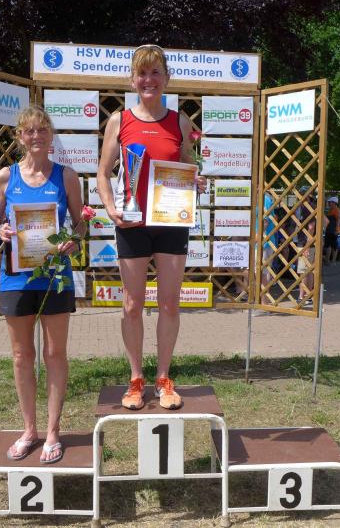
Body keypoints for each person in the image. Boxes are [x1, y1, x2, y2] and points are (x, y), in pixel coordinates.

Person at [97, 44, 205, 411]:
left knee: (170, 303)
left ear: (166, 79)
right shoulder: (119, 121)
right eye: (142, 73)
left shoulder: (181, 122)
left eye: (155, 72)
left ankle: (163, 378)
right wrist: (111, 209)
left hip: (170, 223)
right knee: (132, 305)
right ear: (132, 80)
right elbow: (102, 173)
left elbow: (186, 166)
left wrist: (195, 181)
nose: (149, 79)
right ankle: (135, 378)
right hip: (132, 223)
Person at [0, 105, 84, 464]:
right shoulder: (5, 176)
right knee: (21, 355)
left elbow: (80, 224)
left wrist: (73, 240)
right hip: (16, 277)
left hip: (55, 277)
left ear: (51, 135)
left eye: (42, 129)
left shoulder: (67, 176)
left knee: (55, 354)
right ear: (20, 137)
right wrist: (0, 230)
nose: (36, 136)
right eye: (29, 130)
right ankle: (29, 430)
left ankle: (53, 432)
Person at [323, 196, 340, 264]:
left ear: (334, 203)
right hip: (330, 230)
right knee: (331, 245)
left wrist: (337, 230)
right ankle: (329, 260)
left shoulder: (336, 210)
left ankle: (331, 260)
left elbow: (338, 220)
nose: (328, 203)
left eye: (330, 202)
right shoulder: (331, 210)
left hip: (332, 230)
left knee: (332, 246)